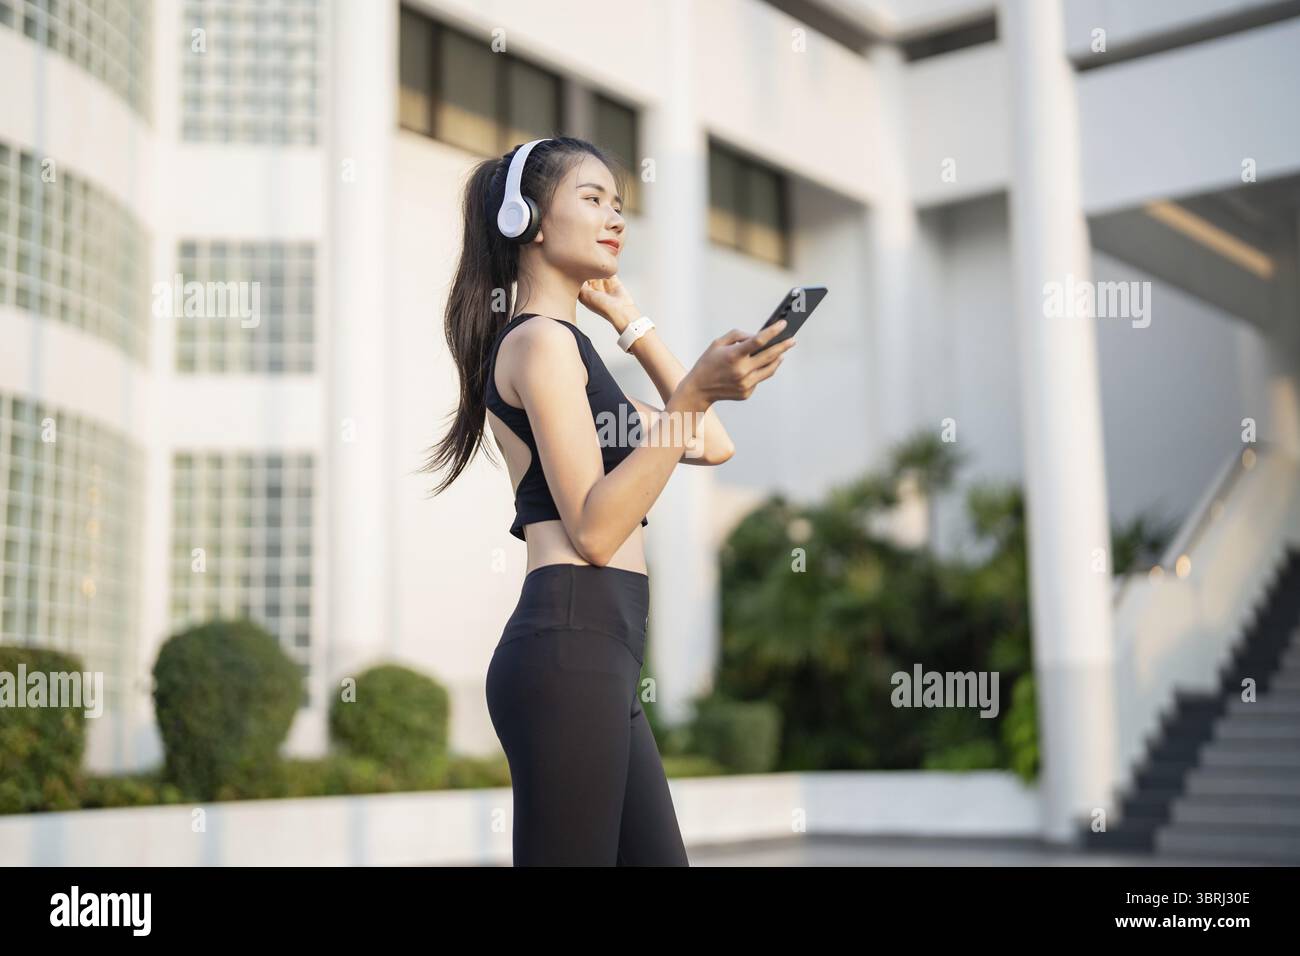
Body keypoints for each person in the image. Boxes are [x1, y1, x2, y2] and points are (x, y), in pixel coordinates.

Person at [422, 136, 795, 865]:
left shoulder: (572, 345)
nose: (614, 217)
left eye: (618, 204)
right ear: (526, 220)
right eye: (591, 199)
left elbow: (709, 442)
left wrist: (635, 326)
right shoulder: (537, 345)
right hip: (570, 640)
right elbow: (594, 530)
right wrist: (694, 390)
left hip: (602, 650)